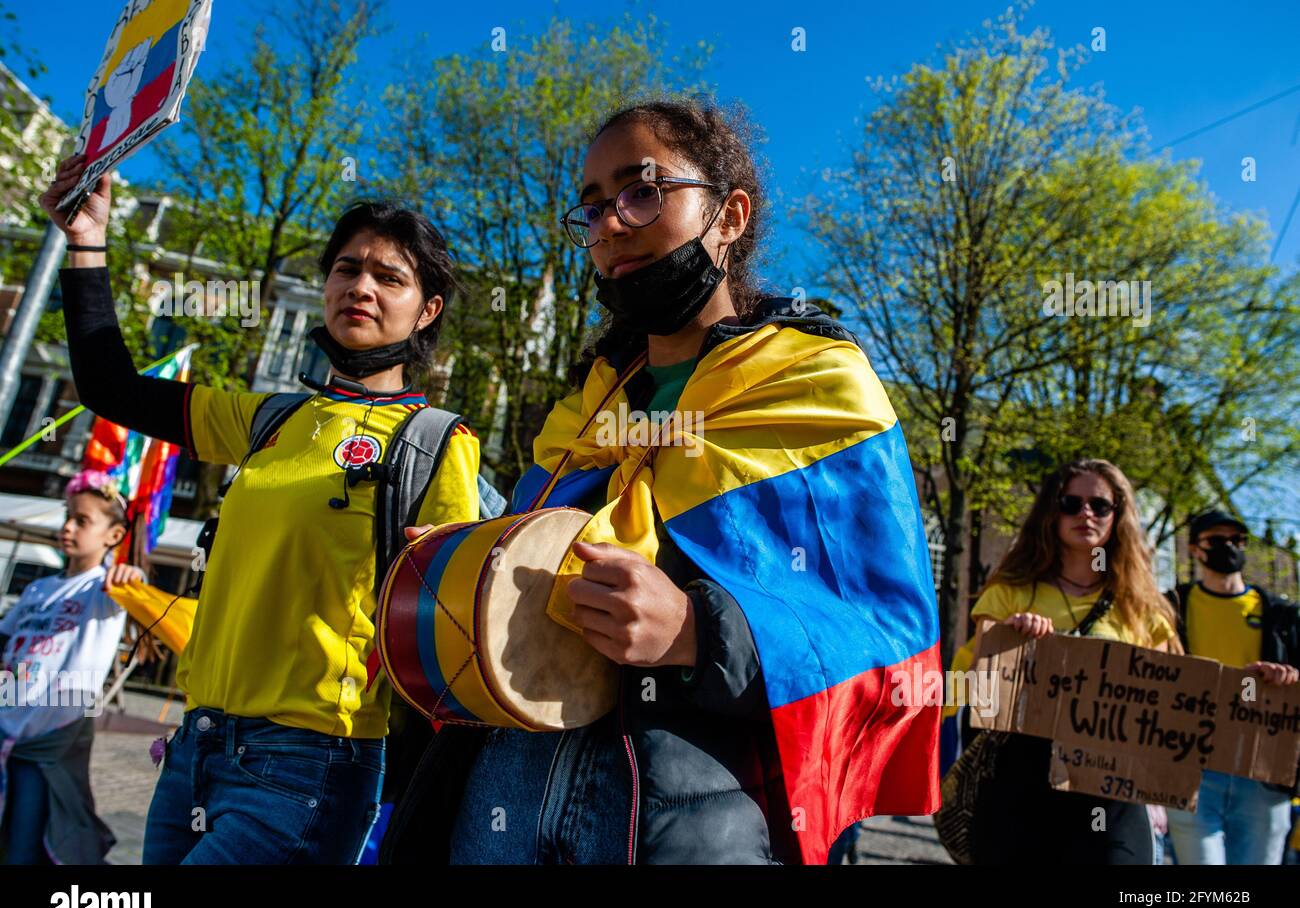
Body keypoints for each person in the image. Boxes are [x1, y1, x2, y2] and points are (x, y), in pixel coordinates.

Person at [381, 98, 941, 866]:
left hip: (689, 807)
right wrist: (465, 563)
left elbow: (891, 644)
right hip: (503, 787)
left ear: (729, 215)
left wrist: (697, 631)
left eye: (642, 190)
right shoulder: (587, 403)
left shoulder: (822, 387)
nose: (610, 224)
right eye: (592, 206)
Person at [40, 159, 482, 864]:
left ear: (427, 309)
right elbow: (110, 386)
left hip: (310, 762)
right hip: (194, 749)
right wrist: (87, 240)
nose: (360, 286)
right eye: (346, 267)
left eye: (389, 276)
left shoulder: (435, 442)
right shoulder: (267, 419)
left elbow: (454, 628)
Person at [968, 458, 1181, 864]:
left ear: (1117, 516)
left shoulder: (1142, 609)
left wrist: (1263, 682)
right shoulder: (1009, 593)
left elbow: (1177, 701)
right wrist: (1013, 639)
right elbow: (984, 695)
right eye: (1071, 503)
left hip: (1112, 793)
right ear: (1052, 512)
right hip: (1022, 788)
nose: (1086, 513)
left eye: (1100, 505)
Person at [0, 471, 145, 864]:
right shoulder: (36, 589)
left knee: (27, 839)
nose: (68, 527)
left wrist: (130, 575)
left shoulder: (107, 589)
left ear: (114, 535)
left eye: (82, 521)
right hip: (6, 723)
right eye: (68, 516)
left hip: (48, 735)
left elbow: (135, 584)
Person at [1164, 508, 1299, 865]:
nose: (1228, 548)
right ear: (1195, 549)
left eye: (1236, 540)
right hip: (1191, 764)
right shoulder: (1171, 607)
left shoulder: (1281, 616)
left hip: (1262, 769)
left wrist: (1288, 677)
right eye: (1216, 541)